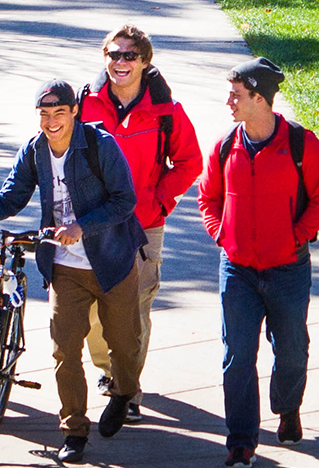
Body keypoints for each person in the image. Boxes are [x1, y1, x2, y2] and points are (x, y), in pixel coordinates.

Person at [0, 79, 147, 464]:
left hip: (111, 260)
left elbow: (125, 200)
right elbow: (11, 197)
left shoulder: (100, 146)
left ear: (74, 112)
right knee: (65, 349)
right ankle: (75, 431)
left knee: (124, 344)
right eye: (44, 115)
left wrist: (82, 225)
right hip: (63, 266)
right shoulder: (34, 151)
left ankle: (123, 392)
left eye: (59, 113)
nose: (51, 122)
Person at [198, 58, 319, 468]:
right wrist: (222, 234)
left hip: (288, 269)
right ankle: (241, 440)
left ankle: (288, 408)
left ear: (260, 99)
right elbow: (208, 199)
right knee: (237, 356)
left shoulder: (301, 144)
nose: (229, 102)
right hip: (237, 270)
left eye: (237, 95)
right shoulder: (226, 146)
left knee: (292, 350)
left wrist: (293, 237)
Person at [80, 23, 202, 421]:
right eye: (113, 55)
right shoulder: (85, 105)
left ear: (145, 61)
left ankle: (127, 388)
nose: (120, 63)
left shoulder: (166, 111)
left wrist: (160, 201)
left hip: (143, 224)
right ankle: (109, 369)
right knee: (97, 312)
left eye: (129, 56)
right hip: (96, 223)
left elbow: (189, 163)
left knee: (135, 309)